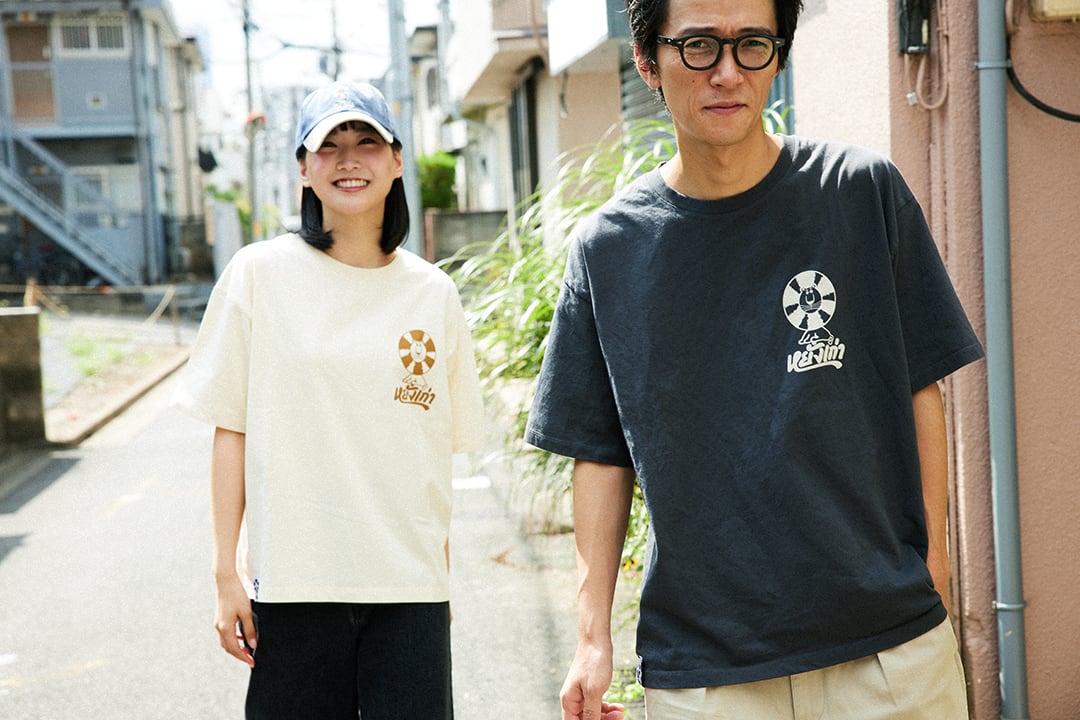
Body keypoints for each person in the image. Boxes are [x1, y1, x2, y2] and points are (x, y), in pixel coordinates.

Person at [524, 1, 984, 718]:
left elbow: (920, 384)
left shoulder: (860, 193)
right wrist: (591, 639)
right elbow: (600, 454)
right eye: (699, 46)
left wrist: (936, 572)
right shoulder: (609, 250)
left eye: (753, 45)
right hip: (707, 673)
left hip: (887, 653)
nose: (727, 73)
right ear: (647, 61)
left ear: (779, 53)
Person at [171, 80, 484, 719]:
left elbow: (429, 459)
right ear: (303, 170)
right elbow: (232, 429)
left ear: (396, 162)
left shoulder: (433, 293)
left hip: (409, 589)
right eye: (328, 146)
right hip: (295, 585)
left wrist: (440, 582)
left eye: (366, 142)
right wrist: (226, 574)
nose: (348, 160)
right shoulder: (260, 274)